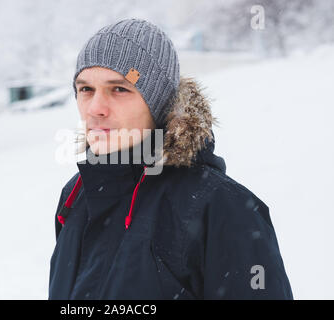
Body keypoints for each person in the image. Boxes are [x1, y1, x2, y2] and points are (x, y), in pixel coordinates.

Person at [48, 18, 293, 300]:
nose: (95, 108)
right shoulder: (76, 195)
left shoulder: (223, 208)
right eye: (85, 89)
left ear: (159, 103)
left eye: (120, 89)